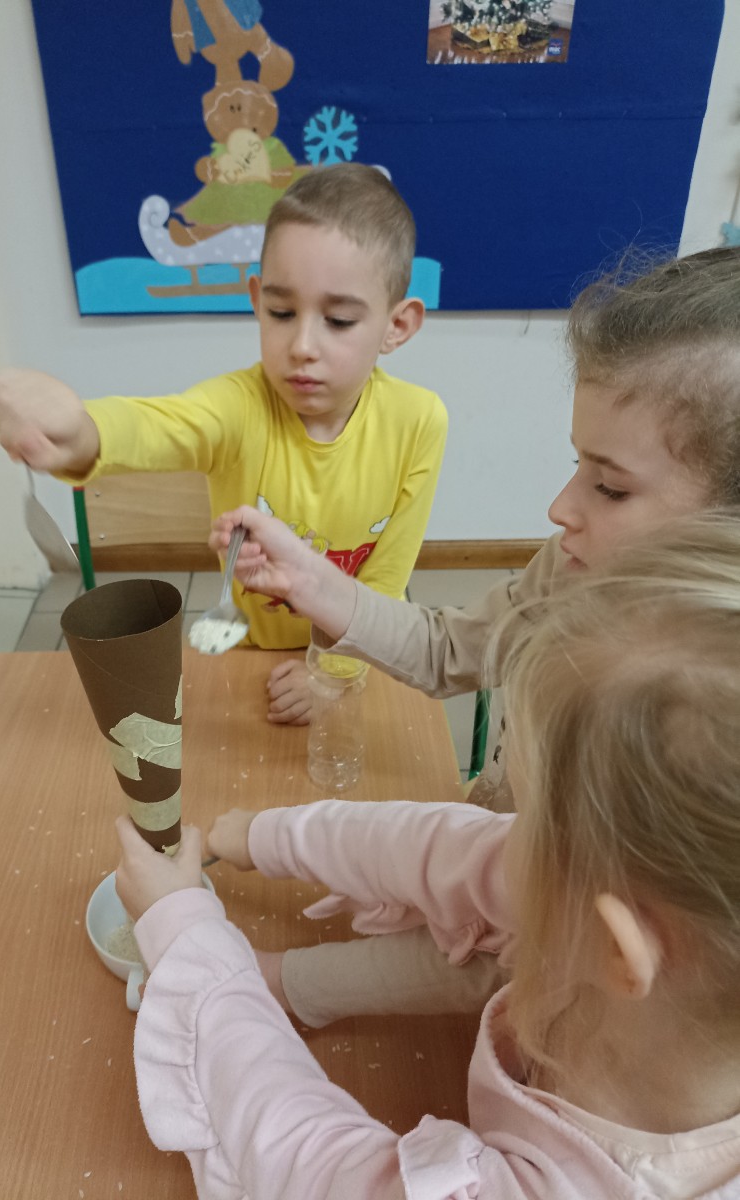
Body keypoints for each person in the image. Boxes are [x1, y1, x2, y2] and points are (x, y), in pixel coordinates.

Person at [115, 512, 740, 1199]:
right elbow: (449, 847)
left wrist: (187, 936)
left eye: (528, 820)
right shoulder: (677, 950)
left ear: (619, 948)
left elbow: (304, 1163)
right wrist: (268, 836)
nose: (501, 828)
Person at [205, 244, 740, 1024]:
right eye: (577, 464)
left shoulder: (692, 737)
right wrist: (312, 582)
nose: (559, 507)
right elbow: (447, 649)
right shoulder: (573, 570)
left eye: (609, 486)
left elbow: (533, 950)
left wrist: (288, 982)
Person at [0, 163, 447, 724]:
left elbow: (387, 579)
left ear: (397, 326)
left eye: (340, 320)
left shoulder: (419, 422)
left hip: (357, 653)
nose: (302, 345)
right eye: (282, 312)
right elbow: (158, 425)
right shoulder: (238, 407)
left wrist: (333, 671)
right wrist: (79, 431)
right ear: (256, 300)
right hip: (248, 655)